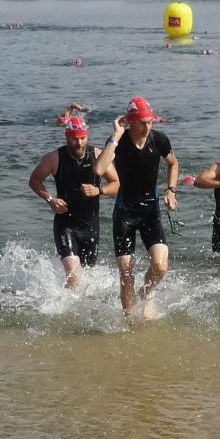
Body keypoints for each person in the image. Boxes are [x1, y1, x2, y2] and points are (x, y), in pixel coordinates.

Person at [94, 96, 179, 314]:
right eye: (142, 123)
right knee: (126, 275)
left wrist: (171, 190)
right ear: (130, 122)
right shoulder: (119, 142)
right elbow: (99, 169)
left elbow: (173, 163)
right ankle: (130, 322)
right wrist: (116, 134)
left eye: (150, 122)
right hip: (125, 214)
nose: (147, 127)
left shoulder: (159, 140)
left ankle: (146, 292)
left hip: (151, 211)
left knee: (161, 266)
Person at [29, 116, 119, 289]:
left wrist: (99, 190)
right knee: (73, 273)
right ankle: (61, 305)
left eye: (82, 138)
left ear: (87, 136)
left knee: (86, 279)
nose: (79, 143)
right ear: (67, 137)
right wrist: (50, 199)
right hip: (66, 224)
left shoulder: (98, 155)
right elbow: (34, 180)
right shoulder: (54, 158)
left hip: (91, 226)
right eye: (74, 139)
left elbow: (117, 185)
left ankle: (74, 303)